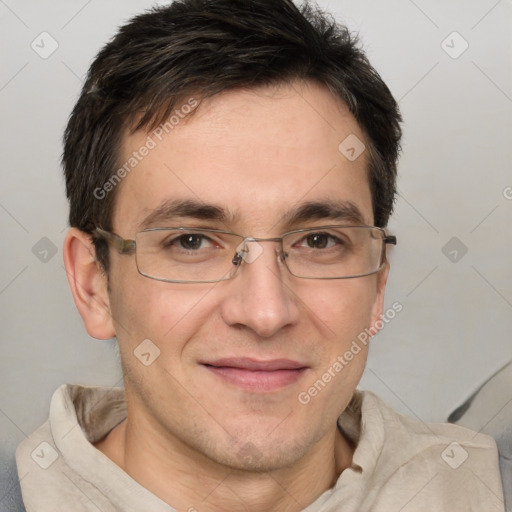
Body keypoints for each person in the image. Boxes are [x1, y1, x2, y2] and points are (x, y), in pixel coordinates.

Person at [15, 0, 504, 510]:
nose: (266, 313)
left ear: (378, 283)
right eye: (191, 242)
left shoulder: (489, 488)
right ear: (95, 285)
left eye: (318, 241)